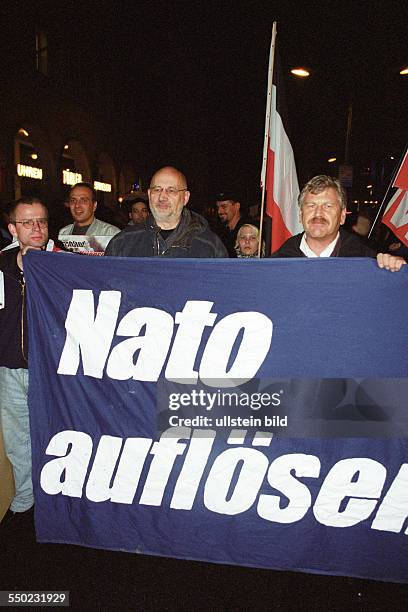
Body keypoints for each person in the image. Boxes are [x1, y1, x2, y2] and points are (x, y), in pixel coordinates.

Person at [0, 197, 60, 523]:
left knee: (56, 433)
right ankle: (26, 499)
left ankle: (58, 497)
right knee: (17, 438)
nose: (36, 228)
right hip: (10, 368)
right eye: (27, 222)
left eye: (42, 221)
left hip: (52, 371)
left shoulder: (65, 264)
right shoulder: (1, 265)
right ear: (13, 229)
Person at [271, 175, 406, 272]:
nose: (318, 213)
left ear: (342, 216)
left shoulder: (368, 262)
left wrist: (399, 270)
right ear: (300, 215)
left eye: (328, 206)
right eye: (311, 206)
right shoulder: (276, 264)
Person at [105, 166, 228, 258]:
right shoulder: (123, 242)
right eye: (157, 189)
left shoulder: (210, 246)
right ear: (149, 194)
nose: (162, 197)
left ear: (185, 197)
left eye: (171, 190)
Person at [215, 189, 251, 257]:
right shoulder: (219, 232)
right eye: (218, 207)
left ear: (237, 206)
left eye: (224, 207)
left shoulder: (249, 230)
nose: (219, 211)